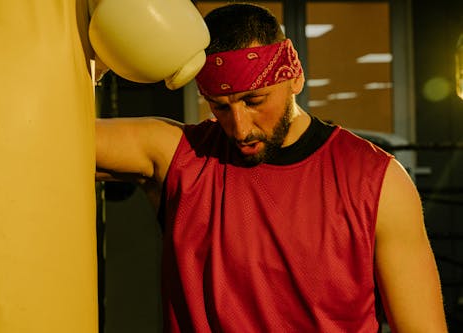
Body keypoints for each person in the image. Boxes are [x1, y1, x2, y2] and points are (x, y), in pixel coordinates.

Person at [96, 3, 447, 332]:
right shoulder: (181, 155)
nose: (240, 128)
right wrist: (97, 58)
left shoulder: (378, 180)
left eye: (254, 100)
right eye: (220, 107)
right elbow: (49, 138)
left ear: (294, 75)